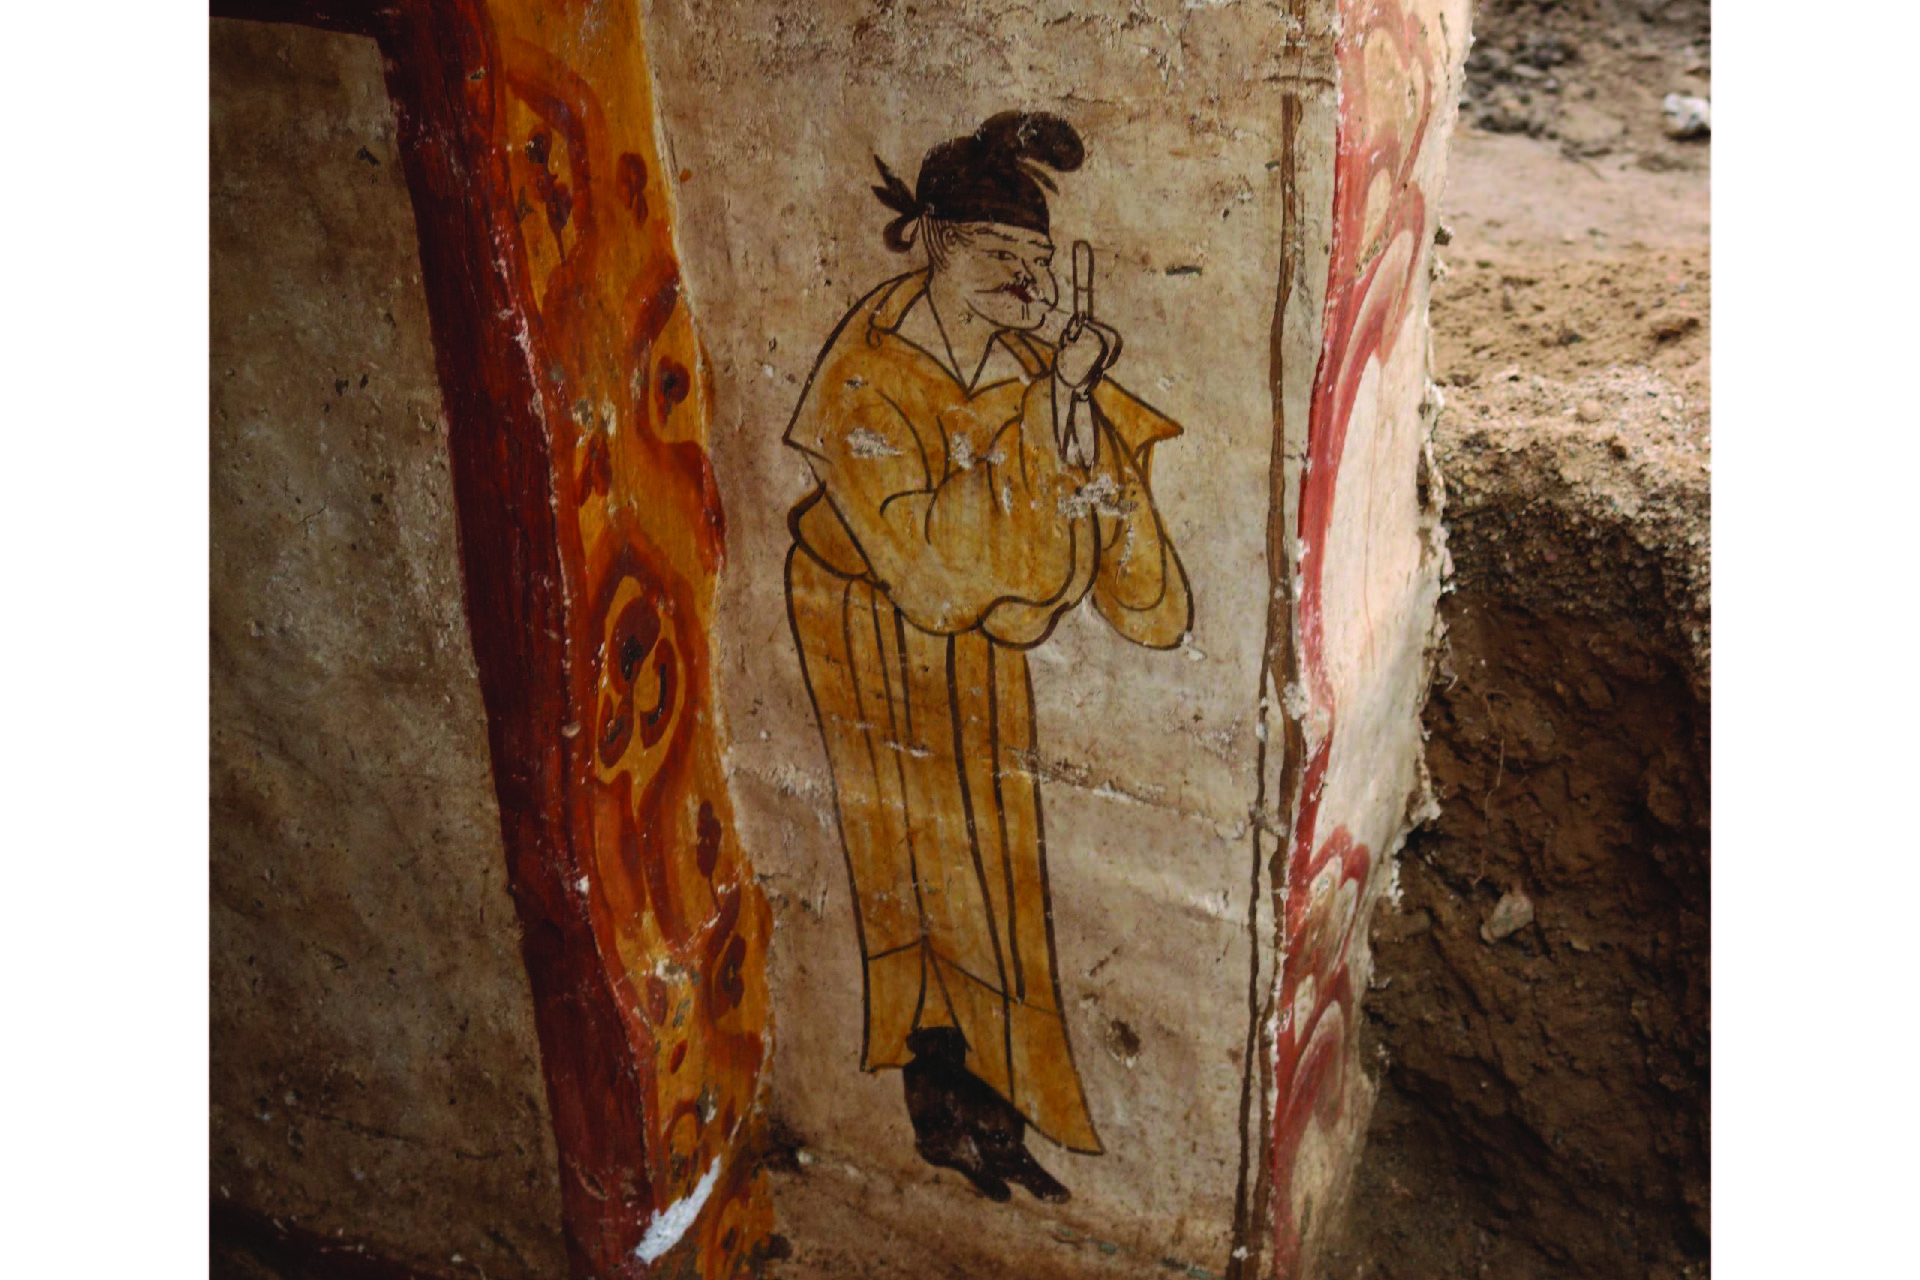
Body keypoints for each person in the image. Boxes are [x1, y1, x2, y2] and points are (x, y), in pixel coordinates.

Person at [782, 110, 1192, 1203]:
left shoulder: (1018, 358)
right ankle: (944, 1104)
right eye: (999, 252)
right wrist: (1049, 401)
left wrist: (1068, 399)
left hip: (971, 635)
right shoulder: (868, 373)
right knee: (911, 866)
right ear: (931, 240)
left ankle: (997, 1114)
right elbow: (924, 564)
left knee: (992, 863)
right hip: (871, 624)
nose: (1023, 276)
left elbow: (1087, 498)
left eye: (1037, 260)